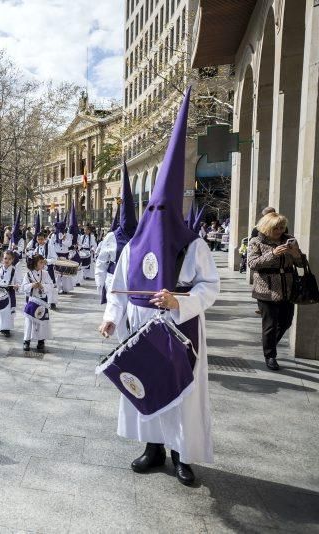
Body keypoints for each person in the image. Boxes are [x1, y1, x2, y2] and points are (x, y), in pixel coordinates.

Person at [98, 89, 219, 487]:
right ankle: (152, 448)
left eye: (163, 211)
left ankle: (183, 455)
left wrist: (179, 299)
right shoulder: (133, 247)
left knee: (182, 398)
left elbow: (210, 287)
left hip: (180, 331)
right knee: (146, 384)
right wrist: (110, 318)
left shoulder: (193, 245)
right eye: (152, 210)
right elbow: (119, 286)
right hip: (141, 331)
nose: (156, 217)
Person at [247, 212, 305, 371]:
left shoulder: (289, 239)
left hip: (287, 288)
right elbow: (252, 263)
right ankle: (270, 355)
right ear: (267, 227)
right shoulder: (256, 241)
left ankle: (269, 342)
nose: (280, 231)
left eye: (282, 227)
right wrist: (272, 254)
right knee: (270, 324)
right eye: (276, 228)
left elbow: (300, 264)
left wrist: (296, 254)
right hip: (266, 289)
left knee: (286, 322)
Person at [95, 163, 137, 308]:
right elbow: (101, 261)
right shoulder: (111, 237)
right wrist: (100, 283)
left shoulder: (141, 235)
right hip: (113, 281)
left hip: (135, 283)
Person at [20, 254, 54, 353]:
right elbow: (23, 287)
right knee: (29, 321)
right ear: (34, 264)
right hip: (32, 301)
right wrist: (32, 285)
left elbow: (51, 286)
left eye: (43, 262)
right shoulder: (28, 275)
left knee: (42, 322)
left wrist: (42, 286)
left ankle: (41, 340)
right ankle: (26, 340)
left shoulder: (46, 274)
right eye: (40, 262)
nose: (43, 264)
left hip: (42, 301)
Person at [0, 251, 18, 337]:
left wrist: (17, 285)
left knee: (7, 311)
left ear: (12, 260)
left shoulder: (14, 270)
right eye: (5, 258)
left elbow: (18, 281)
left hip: (8, 293)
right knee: (0, 310)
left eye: (9, 259)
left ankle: (6, 328)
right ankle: (1, 326)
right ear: (2, 259)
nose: (7, 260)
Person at [33, 231, 60, 305]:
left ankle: (52, 302)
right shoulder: (37, 248)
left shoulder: (50, 247)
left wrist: (46, 261)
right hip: (40, 271)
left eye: (41, 239)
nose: (40, 241)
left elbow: (55, 259)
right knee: (41, 285)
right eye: (38, 239)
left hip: (48, 269)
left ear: (45, 239)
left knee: (51, 285)